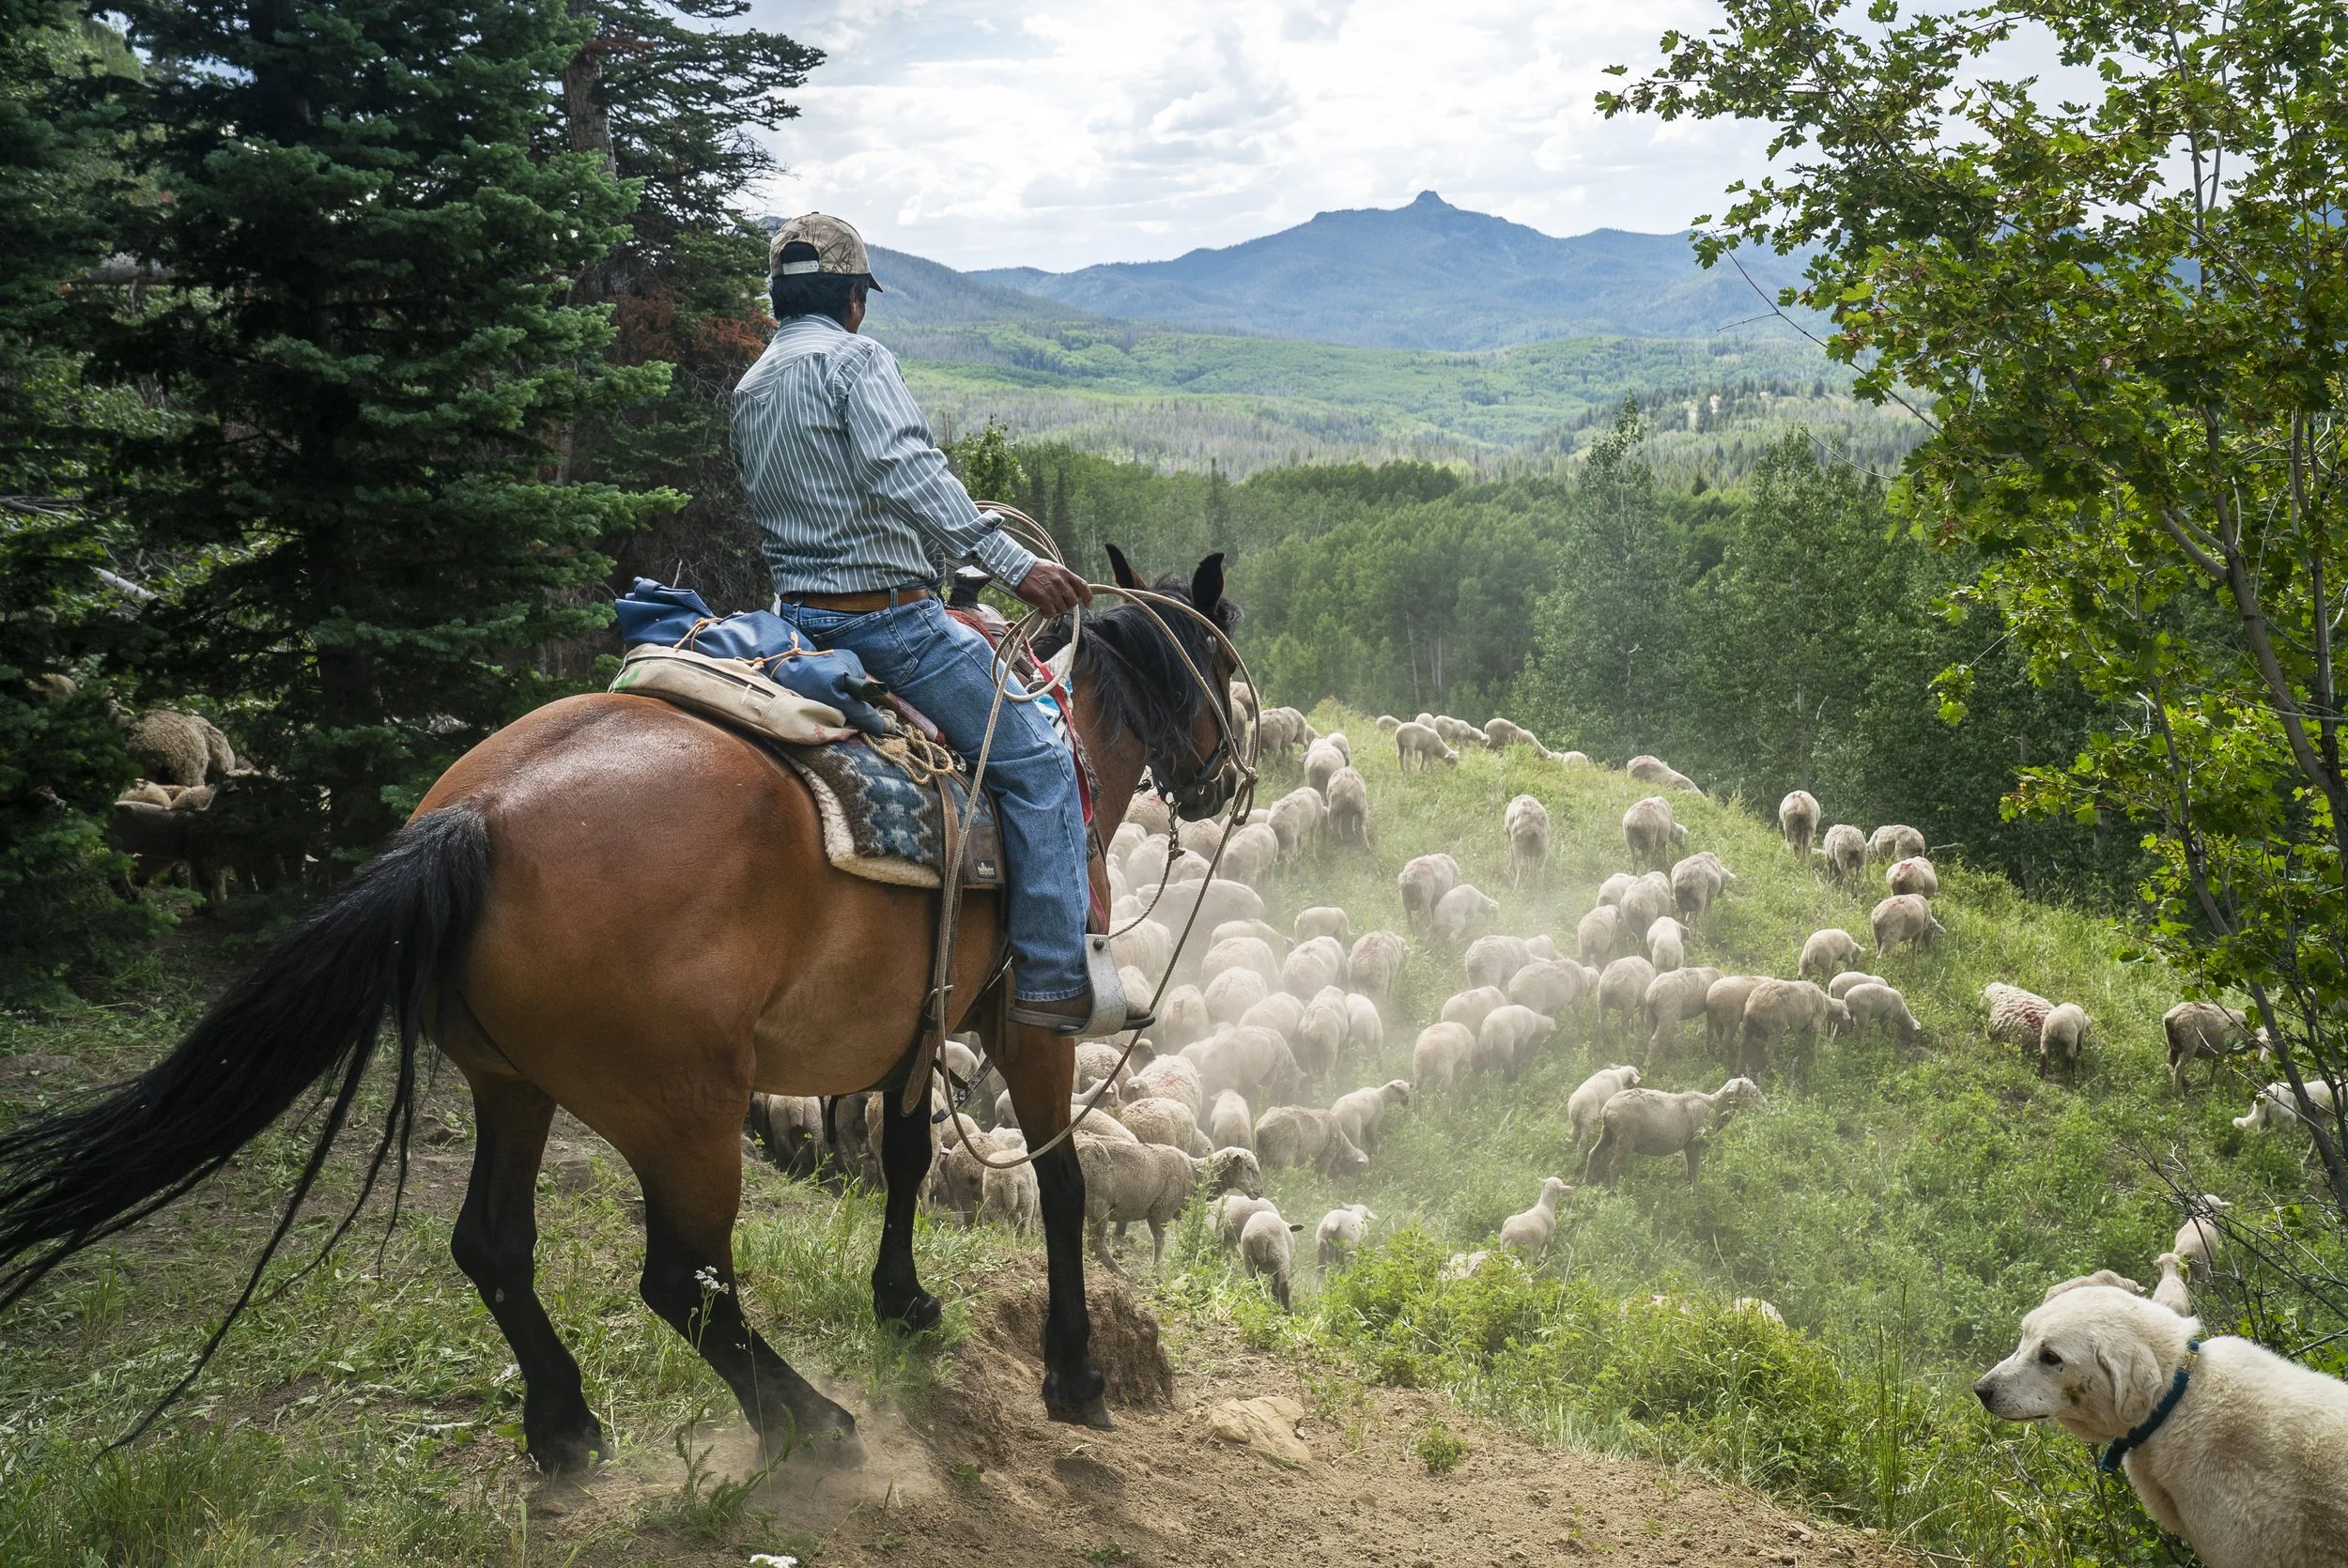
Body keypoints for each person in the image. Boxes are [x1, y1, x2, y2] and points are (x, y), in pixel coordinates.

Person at [734, 212, 1145, 1036]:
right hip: (890, 628)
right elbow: (904, 468)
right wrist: (1013, 564)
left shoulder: (752, 386)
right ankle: (1055, 978)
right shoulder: (857, 362)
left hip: (795, 626)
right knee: (1040, 759)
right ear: (853, 298)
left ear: (780, 298)